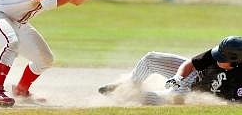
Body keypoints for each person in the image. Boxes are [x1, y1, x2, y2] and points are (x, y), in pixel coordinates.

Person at [98, 36, 242, 104]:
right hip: (193, 75)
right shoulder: (221, 53)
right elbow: (190, 64)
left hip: (191, 95)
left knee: (147, 98)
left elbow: (230, 106)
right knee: (151, 59)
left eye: (221, 58)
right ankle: (129, 84)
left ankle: (122, 95)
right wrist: (178, 78)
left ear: (236, 61)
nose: (216, 58)